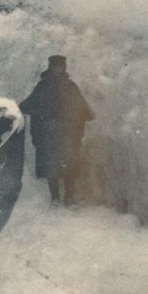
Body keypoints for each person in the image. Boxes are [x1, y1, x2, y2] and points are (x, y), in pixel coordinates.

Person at [20, 55, 94, 207]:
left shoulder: (46, 85)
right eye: (56, 66)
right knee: (66, 166)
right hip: (65, 135)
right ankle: (65, 198)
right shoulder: (67, 86)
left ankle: (59, 198)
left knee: (53, 166)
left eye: (59, 66)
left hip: (51, 135)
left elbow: (25, 106)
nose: (58, 69)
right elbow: (86, 111)